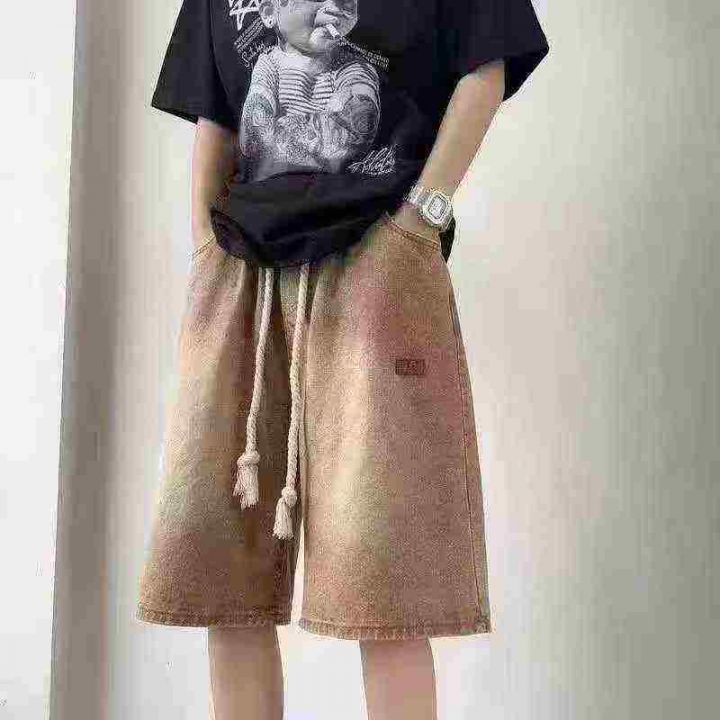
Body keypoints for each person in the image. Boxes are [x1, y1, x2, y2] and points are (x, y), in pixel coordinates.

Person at [135, 1, 549, 718]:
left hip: (375, 256)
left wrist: (421, 220)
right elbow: (216, 113)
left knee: (383, 573)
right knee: (223, 568)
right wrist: (204, 248)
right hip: (243, 264)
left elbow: (487, 65)